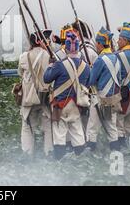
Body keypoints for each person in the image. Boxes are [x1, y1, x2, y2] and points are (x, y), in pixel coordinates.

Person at [43, 32, 90, 160]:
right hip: (77, 103)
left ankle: (59, 162)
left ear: (66, 48)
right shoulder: (86, 66)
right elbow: (87, 84)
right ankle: (81, 160)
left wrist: (50, 65)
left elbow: (46, 79)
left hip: (60, 104)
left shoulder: (59, 64)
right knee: (78, 132)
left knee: (59, 134)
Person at [17, 30, 53, 157]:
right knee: (48, 127)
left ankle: (27, 154)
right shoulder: (49, 56)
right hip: (45, 97)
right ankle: (48, 154)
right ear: (39, 41)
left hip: (29, 98)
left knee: (27, 127)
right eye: (45, 39)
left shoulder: (24, 57)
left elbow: (20, 73)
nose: (48, 42)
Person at [86, 27, 122, 151]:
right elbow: (120, 78)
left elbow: (91, 81)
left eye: (97, 43)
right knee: (112, 129)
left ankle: (91, 159)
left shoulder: (100, 60)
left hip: (100, 98)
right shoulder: (116, 58)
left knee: (92, 129)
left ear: (100, 43)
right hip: (113, 99)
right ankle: (116, 156)